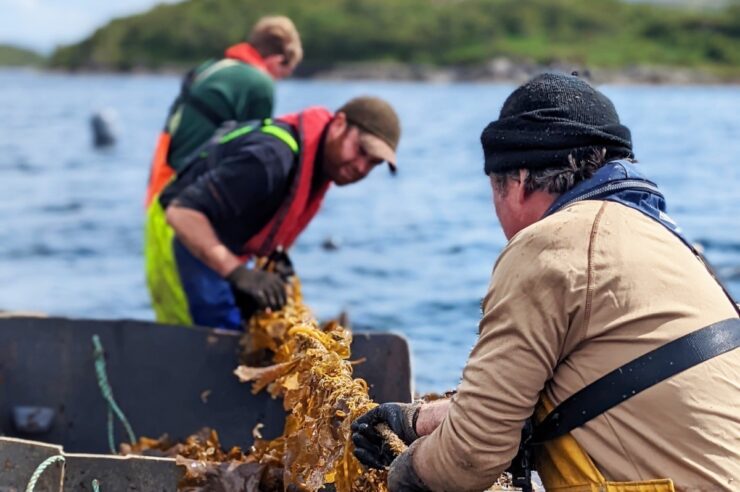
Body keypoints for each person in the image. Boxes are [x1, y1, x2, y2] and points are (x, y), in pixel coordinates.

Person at [351, 73, 740, 491]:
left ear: (516, 181)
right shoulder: (665, 242)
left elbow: (470, 457)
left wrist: (400, 472)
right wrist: (415, 420)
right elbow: (556, 399)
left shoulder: (548, 245)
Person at [145, 96, 401, 329]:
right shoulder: (270, 159)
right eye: (361, 151)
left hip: (221, 245)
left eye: (373, 163)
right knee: (203, 347)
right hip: (179, 235)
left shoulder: (319, 167)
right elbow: (181, 213)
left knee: (246, 335)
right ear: (339, 124)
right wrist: (237, 272)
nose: (361, 167)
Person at [145, 16, 303, 207]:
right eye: (282, 75)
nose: (277, 81)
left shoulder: (213, 67)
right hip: (190, 190)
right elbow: (257, 153)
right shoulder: (260, 83)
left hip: (162, 178)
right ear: (277, 61)